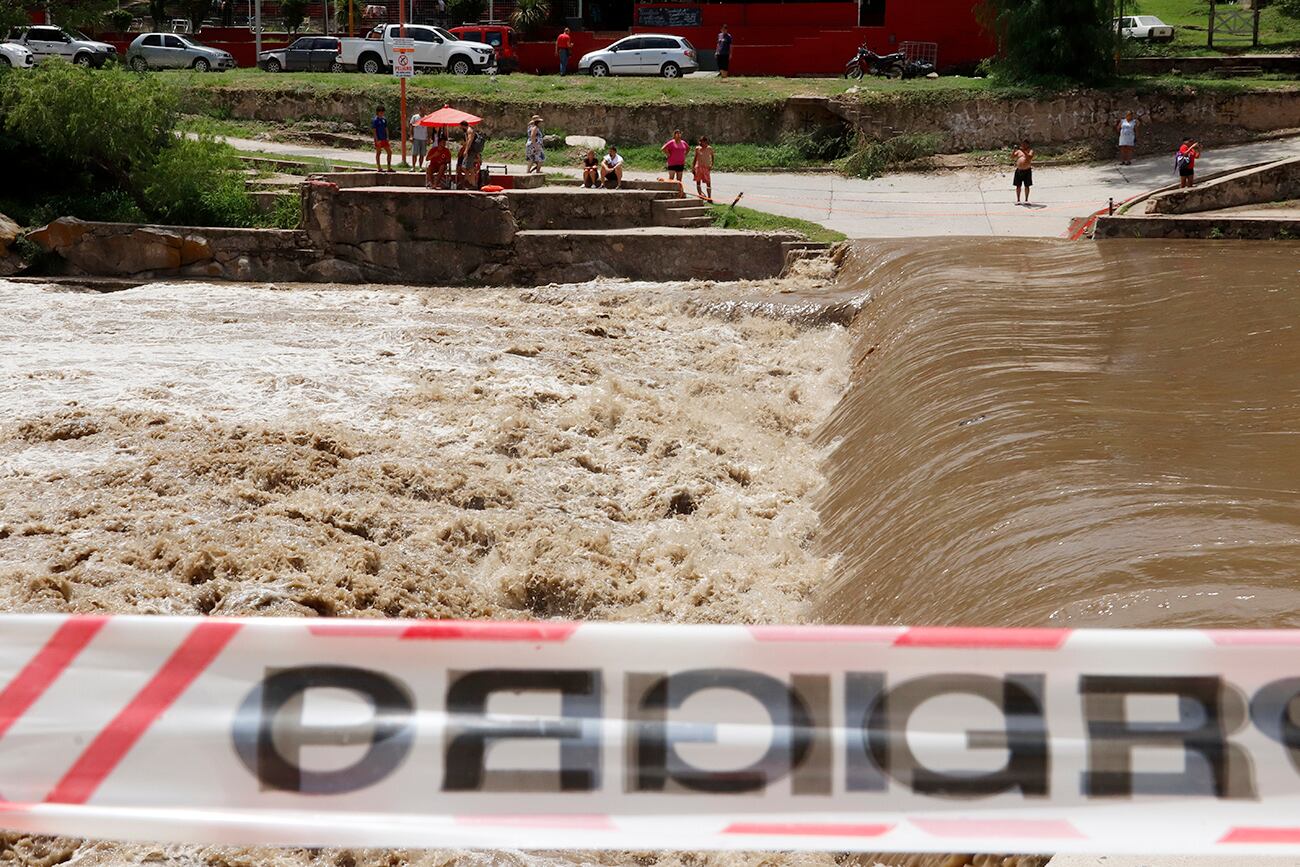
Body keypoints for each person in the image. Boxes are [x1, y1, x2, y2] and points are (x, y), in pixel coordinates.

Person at [457, 120, 480, 188]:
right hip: (471, 151)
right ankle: (472, 183)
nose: (461, 129)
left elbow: (470, 141)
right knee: (468, 168)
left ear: (463, 126)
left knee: (466, 168)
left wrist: (466, 151)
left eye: (461, 127)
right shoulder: (469, 130)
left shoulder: (469, 130)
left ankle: (472, 183)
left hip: (471, 151)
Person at [691, 135, 715, 201]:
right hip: (698, 167)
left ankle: (709, 197)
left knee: (708, 182)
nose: (703, 143)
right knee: (698, 182)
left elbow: (712, 156)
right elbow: (695, 158)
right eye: (701, 142)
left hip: (706, 167)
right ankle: (700, 195)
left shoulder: (709, 148)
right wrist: (693, 167)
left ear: (706, 142)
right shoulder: (697, 148)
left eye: (704, 142)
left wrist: (711, 165)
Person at [371, 106, 393, 173]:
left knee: (389, 152)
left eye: (383, 112)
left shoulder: (384, 120)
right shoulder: (375, 120)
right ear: (378, 112)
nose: (382, 113)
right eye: (381, 112)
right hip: (379, 139)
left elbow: (386, 128)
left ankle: (389, 167)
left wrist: (387, 137)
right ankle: (379, 167)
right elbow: (374, 131)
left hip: (384, 139)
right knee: (379, 152)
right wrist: (376, 140)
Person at [1012, 140, 1034, 204]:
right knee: (1018, 186)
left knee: (1027, 186)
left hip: (1027, 170)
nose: (1023, 145)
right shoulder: (1018, 151)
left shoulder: (1030, 151)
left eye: (1024, 144)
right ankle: (1018, 200)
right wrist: (1014, 150)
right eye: (1022, 144)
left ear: (1028, 145)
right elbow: (1012, 157)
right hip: (1019, 170)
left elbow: (1029, 157)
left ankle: (1026, 200)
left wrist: (1023, 151)